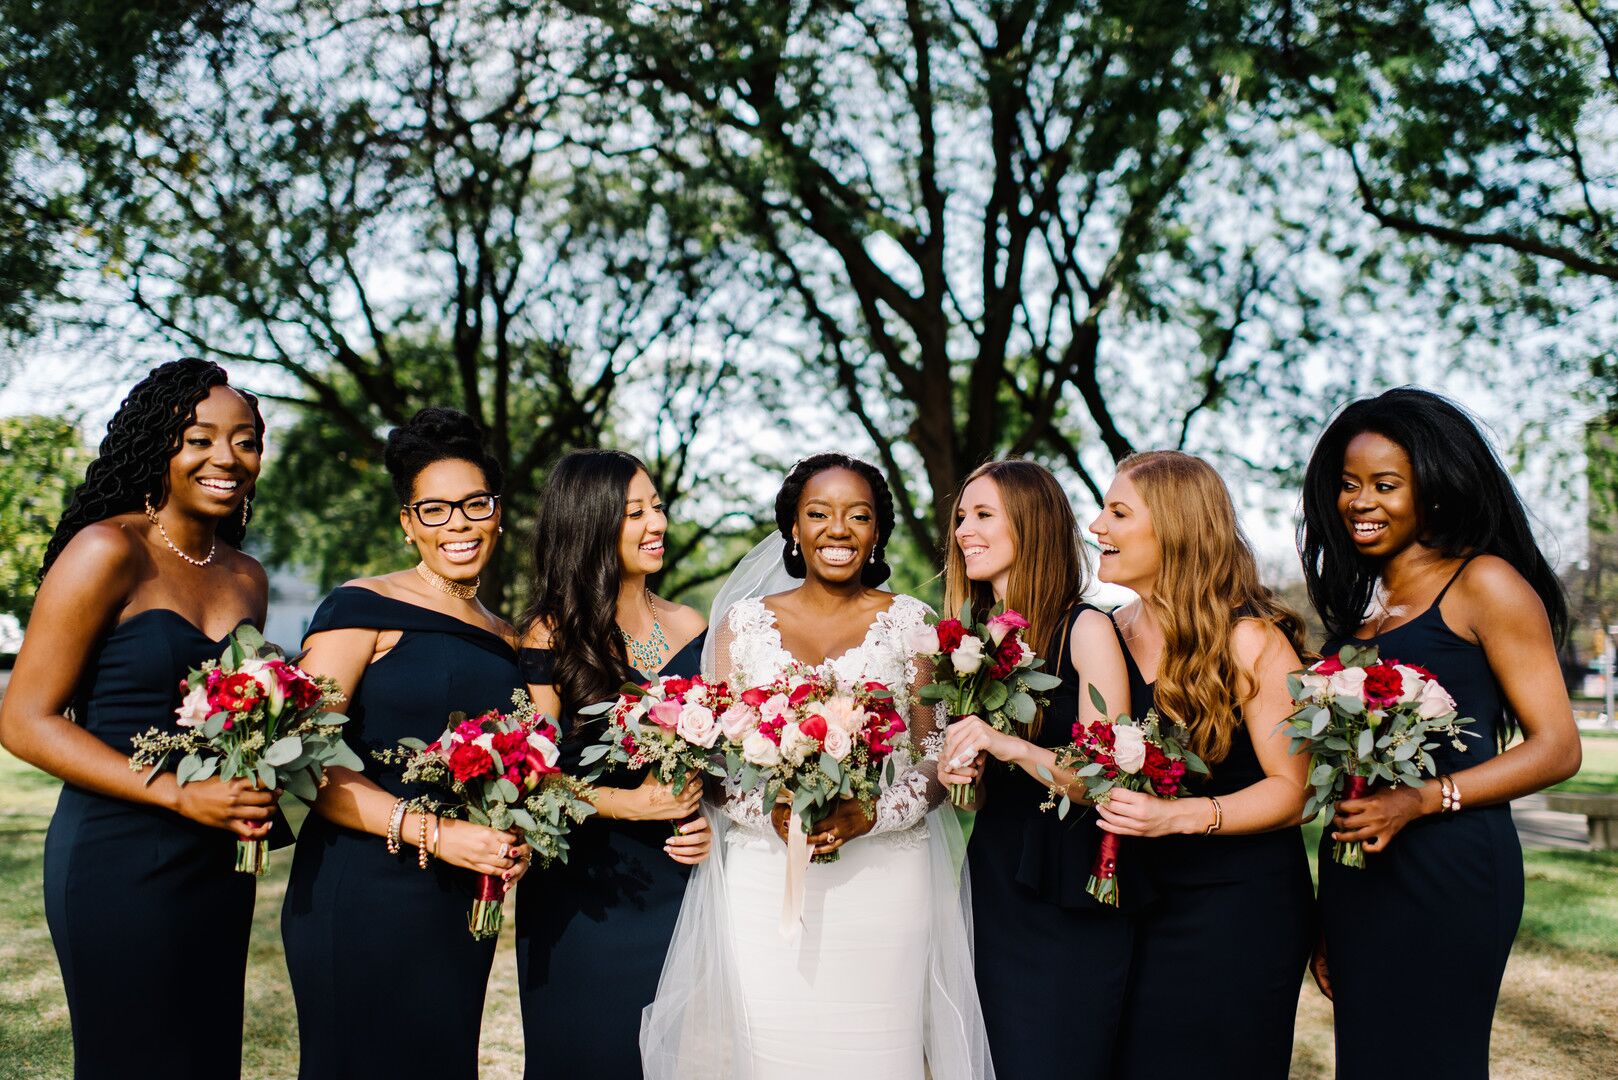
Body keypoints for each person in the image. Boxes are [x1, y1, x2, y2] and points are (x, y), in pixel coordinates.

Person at [642, 453, 993, 1080]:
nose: (839, 529)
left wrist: (873, 816)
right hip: (764, 878)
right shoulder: (741, 627)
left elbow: (938, 757)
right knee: (773, 1051)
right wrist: (769, 812)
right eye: (819, 514)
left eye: (858, 515)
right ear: (795, 530)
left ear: (878, 530)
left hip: (886, 879)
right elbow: (716, 763)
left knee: (879, 1052)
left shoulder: (912, 623)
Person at [0, 359, 271, 1079]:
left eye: (245, 441)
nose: (226, 458)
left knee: (208, 1058)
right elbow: (24, 719)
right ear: (159, 446)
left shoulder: (247, 576)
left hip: (219, 861)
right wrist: (178, 792)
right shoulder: (107, 550)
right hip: (117, 853)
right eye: (199, 438)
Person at [1299, 388, 1580, 1080]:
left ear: (1435, 489)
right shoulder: (1361, 615)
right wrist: (1330, 911)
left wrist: (1425, 799)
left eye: (1385, 485)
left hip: (1450, 871)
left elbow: (1558, 746)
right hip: (1360, 879)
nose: (1360, 502)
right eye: (1348, 485)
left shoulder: (1484, 584)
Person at [280, 407, 532, 1080]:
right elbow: (303, 756)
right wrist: (432, 832)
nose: (458, 524)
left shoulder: (509, 637)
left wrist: (516, 835)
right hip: (360, 885)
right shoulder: (359, 607)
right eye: (435, 509)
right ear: (408, 523)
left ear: (498, 512)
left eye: (475, 504)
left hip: (461, 899)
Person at [1088, 450, 1312, 1080]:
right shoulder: (1105, 630)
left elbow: (1294, 791)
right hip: (1133, 907)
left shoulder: (1252, 640)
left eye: (1117, 511)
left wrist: (1179, 817)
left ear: (1177, 527)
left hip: (1238, 913)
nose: (1096, 526)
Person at [934, 459, 1134, 1078]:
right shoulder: (970, 643)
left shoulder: (1086, 627)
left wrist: (1010, 745)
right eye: (962, 516)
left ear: (1033, 526)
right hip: (995, 877)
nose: (965, 530)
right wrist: (960, 778)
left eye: (984, 515)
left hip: (1070, 887)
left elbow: (1112, 776)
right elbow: (978, 801)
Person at [515, 449, 711, 1079]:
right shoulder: (549, 634)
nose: (656, 522)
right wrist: (628, 803)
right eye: (634, 512)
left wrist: (705, 814)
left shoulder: (693, 627)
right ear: (591, 522)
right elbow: (526, 775)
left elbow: (716, 762)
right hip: (584, 887)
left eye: (656, 507)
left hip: (678, 886)